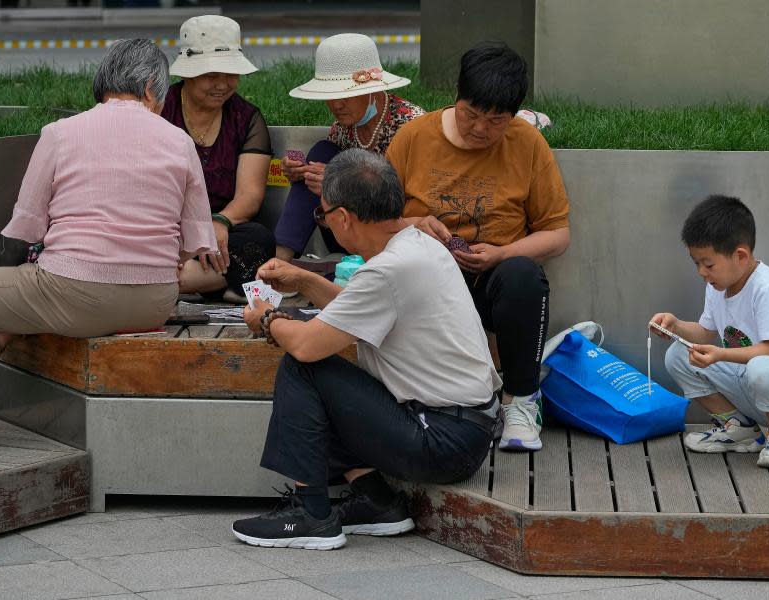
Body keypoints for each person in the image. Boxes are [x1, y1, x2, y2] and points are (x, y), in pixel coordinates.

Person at [0, 39, 216, 452]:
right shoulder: (180, 141)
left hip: (75, 297)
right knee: (48, 291)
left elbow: (28, 226)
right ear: (151, 88)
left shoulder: (61, 133)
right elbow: (194, 243)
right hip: (153, 303)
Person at [231, 149, 500, 550]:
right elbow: (361, 309)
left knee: (304, 366)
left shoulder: (388, 270)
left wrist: (267, 318)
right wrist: (304, 280)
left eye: (321, 215)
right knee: (322, 369)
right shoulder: (416, 247)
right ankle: (377, 502)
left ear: (343, 218)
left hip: (443, 440)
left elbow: (306, 346)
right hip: (465, 429)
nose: (324, 222)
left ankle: (312, 515)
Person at [384, 42, 570, 452]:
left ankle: (521, 401)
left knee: (523, 275)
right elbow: (375, 223)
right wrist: (414, 224)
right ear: (456, 97)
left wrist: (501, 254)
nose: (481, 129)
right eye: (471, 115)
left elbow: (557, 234)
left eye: (496, 120)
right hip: (424, 282)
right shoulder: (414, 137)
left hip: (489, 282)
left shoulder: (527, 144)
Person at [651, 195, 769, 468]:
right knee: (679, 353)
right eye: (696, 263)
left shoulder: (766, 289)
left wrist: (720, 355)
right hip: (753, 385)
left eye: (708, 264)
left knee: (763, 367)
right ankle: (738, 428)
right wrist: (676, 326)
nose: (701, 272)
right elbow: (705, 333)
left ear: (740, 256)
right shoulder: (716, 286)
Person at [274, 33, 424, 262]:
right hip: (346, 228)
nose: (336, 104)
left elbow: (409, 200)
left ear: (372, 88)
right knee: (321, 153)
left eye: (346, 94)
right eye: (330, 95)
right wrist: (300, 173)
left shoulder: (411, 125)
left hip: (394, 234)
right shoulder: (342, 127)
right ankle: (279, 261)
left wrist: (340, 181)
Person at [162, 15, 276, 299]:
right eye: (212, 75)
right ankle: (210, 283)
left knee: (257, 241)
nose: (223, 84)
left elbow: (249, 195)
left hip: (222, 235)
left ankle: (169, 282)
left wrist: (220, 222)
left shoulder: (246, 118)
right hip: (166, 228)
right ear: (187, 74)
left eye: (231, 74)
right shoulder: (161, 111)